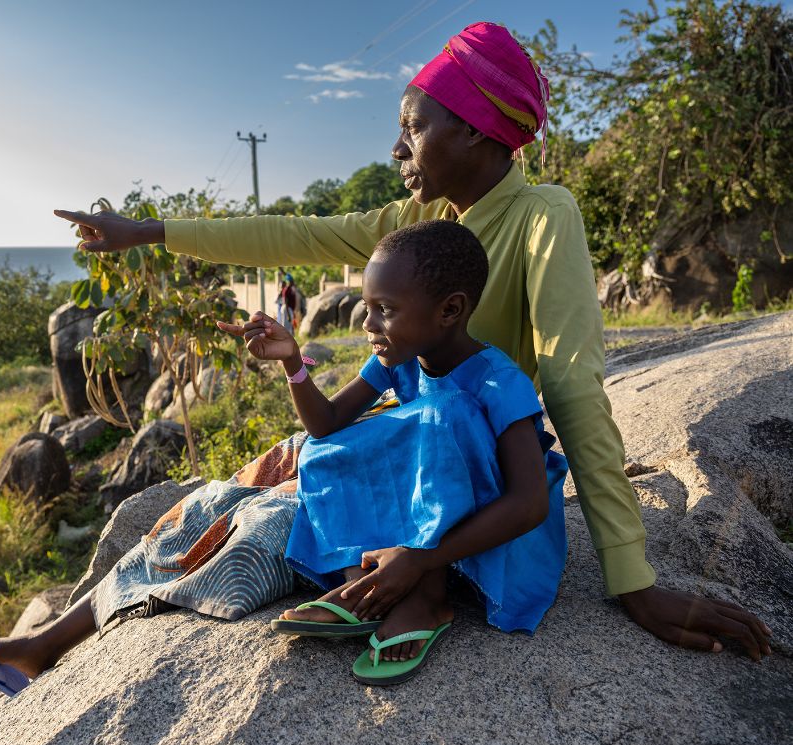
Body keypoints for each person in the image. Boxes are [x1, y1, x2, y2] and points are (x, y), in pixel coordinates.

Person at [52, 22, 772, 659]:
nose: (397, 145)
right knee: (216, 498)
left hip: (457, 476)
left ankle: (409, 589)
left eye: (414, 126)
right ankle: (58, 640)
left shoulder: (541, 216)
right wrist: (147, 232)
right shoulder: (418, 223)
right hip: (403, 448)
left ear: (477, 133)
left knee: (254, 523)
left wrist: (632, 578)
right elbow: (294, 233)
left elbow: (570, 380)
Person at [220, 221, 568, 685]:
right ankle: (363, 582)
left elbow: (529, 504)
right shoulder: (398, 356)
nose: (368, 325)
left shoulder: (497, 382)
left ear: (450, 310)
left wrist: (420, 560)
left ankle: (426, 597)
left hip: (496, 535)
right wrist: (291, 362)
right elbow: (325, 423)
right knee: (321, 452)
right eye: (367, 307)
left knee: (441, 415)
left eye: (384, 309)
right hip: (433, 514)